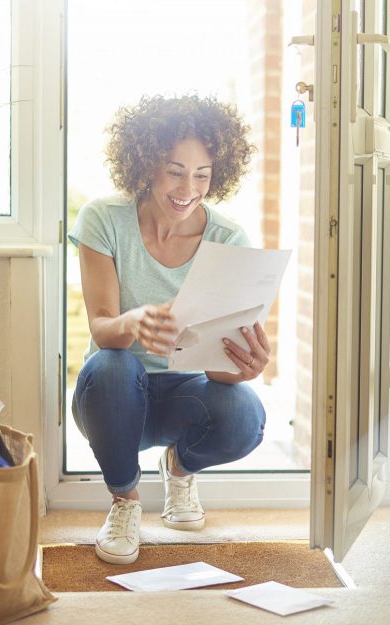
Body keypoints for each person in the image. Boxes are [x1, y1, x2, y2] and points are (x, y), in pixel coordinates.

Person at [68, 94, 271, 564]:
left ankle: (179, 469)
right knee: (113, 365)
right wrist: (133, 322)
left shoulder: (228, 240)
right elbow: (102, 331)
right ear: (145, 165)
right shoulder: (104, 219)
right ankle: (125, 502)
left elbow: (219, 372)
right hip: (114, 399)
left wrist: (244, 366)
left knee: (246, 415)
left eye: (202, 175)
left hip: (187, 390)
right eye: (175, 171)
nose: (188, 188)